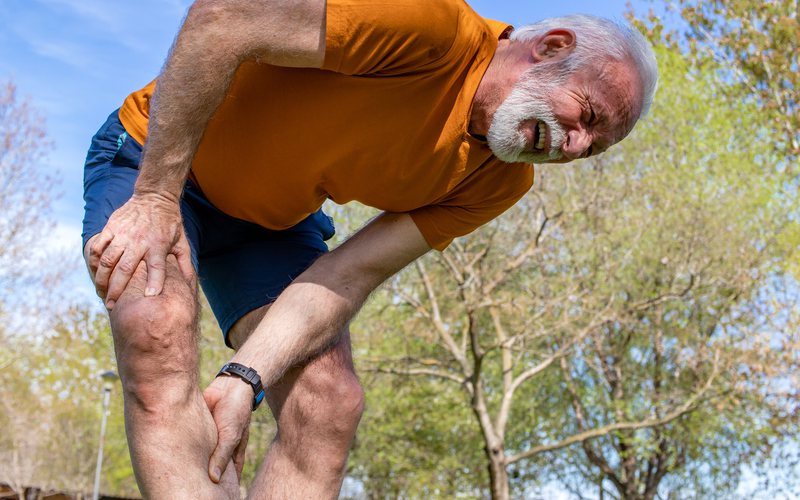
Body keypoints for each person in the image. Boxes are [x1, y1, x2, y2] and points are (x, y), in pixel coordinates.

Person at [81, 0, 658, 497]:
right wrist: (156, 196)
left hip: (271, 223)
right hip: (156, 158)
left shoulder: (499, 181)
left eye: (590, 149)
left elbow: (349, 275)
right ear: (552, 48)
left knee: (328, 402)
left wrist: (244, 377)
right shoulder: (430, 28)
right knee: (153, 323)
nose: (573, 146)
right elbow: (222, 19)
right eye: (586, 115)